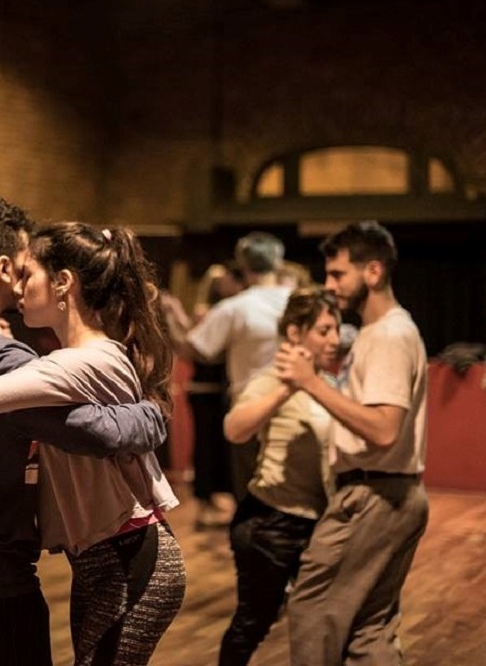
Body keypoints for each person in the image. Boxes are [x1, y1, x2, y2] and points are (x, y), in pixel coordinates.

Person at [0, 197, 167, 666]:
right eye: (24, 267)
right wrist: (152, 414)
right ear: (2, 267)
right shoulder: (6, 360)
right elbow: (95, 432)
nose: (26, 282)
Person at [275, 220, 429, 665]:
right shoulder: (383, 333)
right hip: (393, 494)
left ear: (374, 272)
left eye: (339, 274)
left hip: (373, 495)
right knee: (369, 630)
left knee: (311, 609)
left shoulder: (388, 336)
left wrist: (311, 382)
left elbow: (383, 429)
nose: (329, 284)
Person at [218, 286, 341, 666]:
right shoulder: (272, 379)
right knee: (255, 620)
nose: (335, 339)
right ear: (294, 333)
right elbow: (235, 430)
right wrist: (288, 388)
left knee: (325, 616)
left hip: (317, 524)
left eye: (337, 329)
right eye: (324, 330)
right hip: (270, 525)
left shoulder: (328, 384)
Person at [168, 231, 292, 503]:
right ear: (279, 262)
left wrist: (168, 319)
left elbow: (195, 350)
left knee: (252, 494)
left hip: (250, 411)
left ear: (243, 266)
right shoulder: (300, 301)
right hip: (298, 406)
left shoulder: (235, 308)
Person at [161, 262, 245, 529]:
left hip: (215, 388)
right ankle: (206, 501)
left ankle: (214, 499)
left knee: (217, 448)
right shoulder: (213, 312)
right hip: (206, 388)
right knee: (207, 448)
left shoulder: (227, 311)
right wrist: (173, 315)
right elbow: (193, 345)